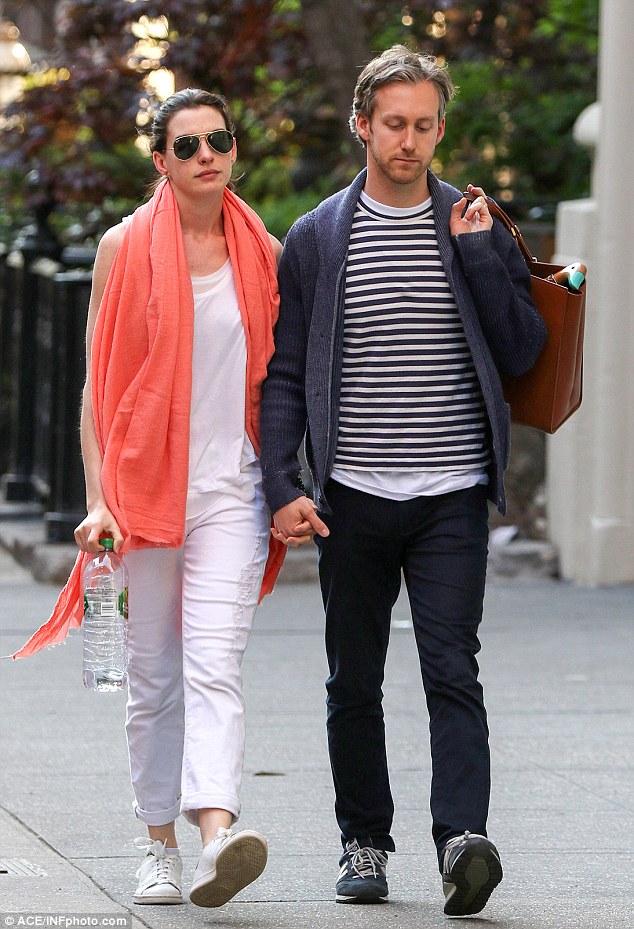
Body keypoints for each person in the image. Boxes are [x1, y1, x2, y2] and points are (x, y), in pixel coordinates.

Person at [260, 46, 547, 917]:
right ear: (362, 124)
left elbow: (522, 350)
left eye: (425, 125)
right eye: (394, 125)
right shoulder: (317, 236)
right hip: (352, 497)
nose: (410, 142)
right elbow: (283, 374)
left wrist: (482, 257)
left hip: (452, 492)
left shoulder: (472, 219)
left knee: (452, 666)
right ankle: (364, 842)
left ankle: (462, 839)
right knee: (354, 678)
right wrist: (283, 483)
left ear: (440, 127)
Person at [15, 88, 285, 907]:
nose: (208, 155)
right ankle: (157, 842)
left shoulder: (263, 250)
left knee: (213, 660)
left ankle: (215, 836)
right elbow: (99, 388)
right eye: (189, 144)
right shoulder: (122, 247)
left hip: (231, 490)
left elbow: (285, 380)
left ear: (235, 151)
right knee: (155, 675)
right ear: (162, 161)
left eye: (220, 140)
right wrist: (98, 499)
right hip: (144, 494)